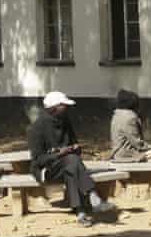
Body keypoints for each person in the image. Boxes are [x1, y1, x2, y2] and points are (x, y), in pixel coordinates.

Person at [28, 91, 114, 227]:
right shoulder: (37, 128)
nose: (67, 108)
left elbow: (74, 143)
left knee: (71, 166)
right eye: (64, 105)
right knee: (71, 161)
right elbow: (38, 160)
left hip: (68, 166)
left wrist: (75, 148)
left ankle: (81, 213)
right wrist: (60, 153)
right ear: (54, 107)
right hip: (47, 170)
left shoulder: (65, 121)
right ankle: (93, 197)